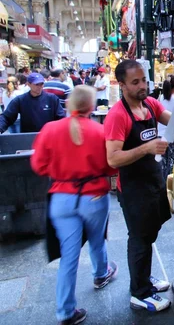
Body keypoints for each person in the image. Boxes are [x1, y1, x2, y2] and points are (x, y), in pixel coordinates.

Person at [104, 60, 174, 312]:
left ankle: (145, 280)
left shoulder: (150, 104)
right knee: (139, 239)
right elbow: (113, 158)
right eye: (135, 82)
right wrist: (147, 147)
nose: (142, 86)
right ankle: (139, 293)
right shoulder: (117, 115)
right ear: (122, 84)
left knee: (149, 235)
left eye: (144, 80)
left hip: (152, 181)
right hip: (134, 189)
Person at [31, 85, 118, 325]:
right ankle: (101, 274)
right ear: (91, 106)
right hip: (94, 198)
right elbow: (112, 166)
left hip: (61, 199)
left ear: (69, 104)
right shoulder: (99, 131)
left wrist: (61, 172)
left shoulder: (50, 129)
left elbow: (38, 166)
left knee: (69, 258)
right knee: (97, 238)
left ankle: (65, 311)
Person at [0, 73, 65, 134]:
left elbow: (61, 118)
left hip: (48, 137)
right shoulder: (21, 100)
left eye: (41, 84)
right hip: (28, 138)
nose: (39, 86)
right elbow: (6, 117)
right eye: (36, 84)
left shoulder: (52, 98)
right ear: (28, 84)